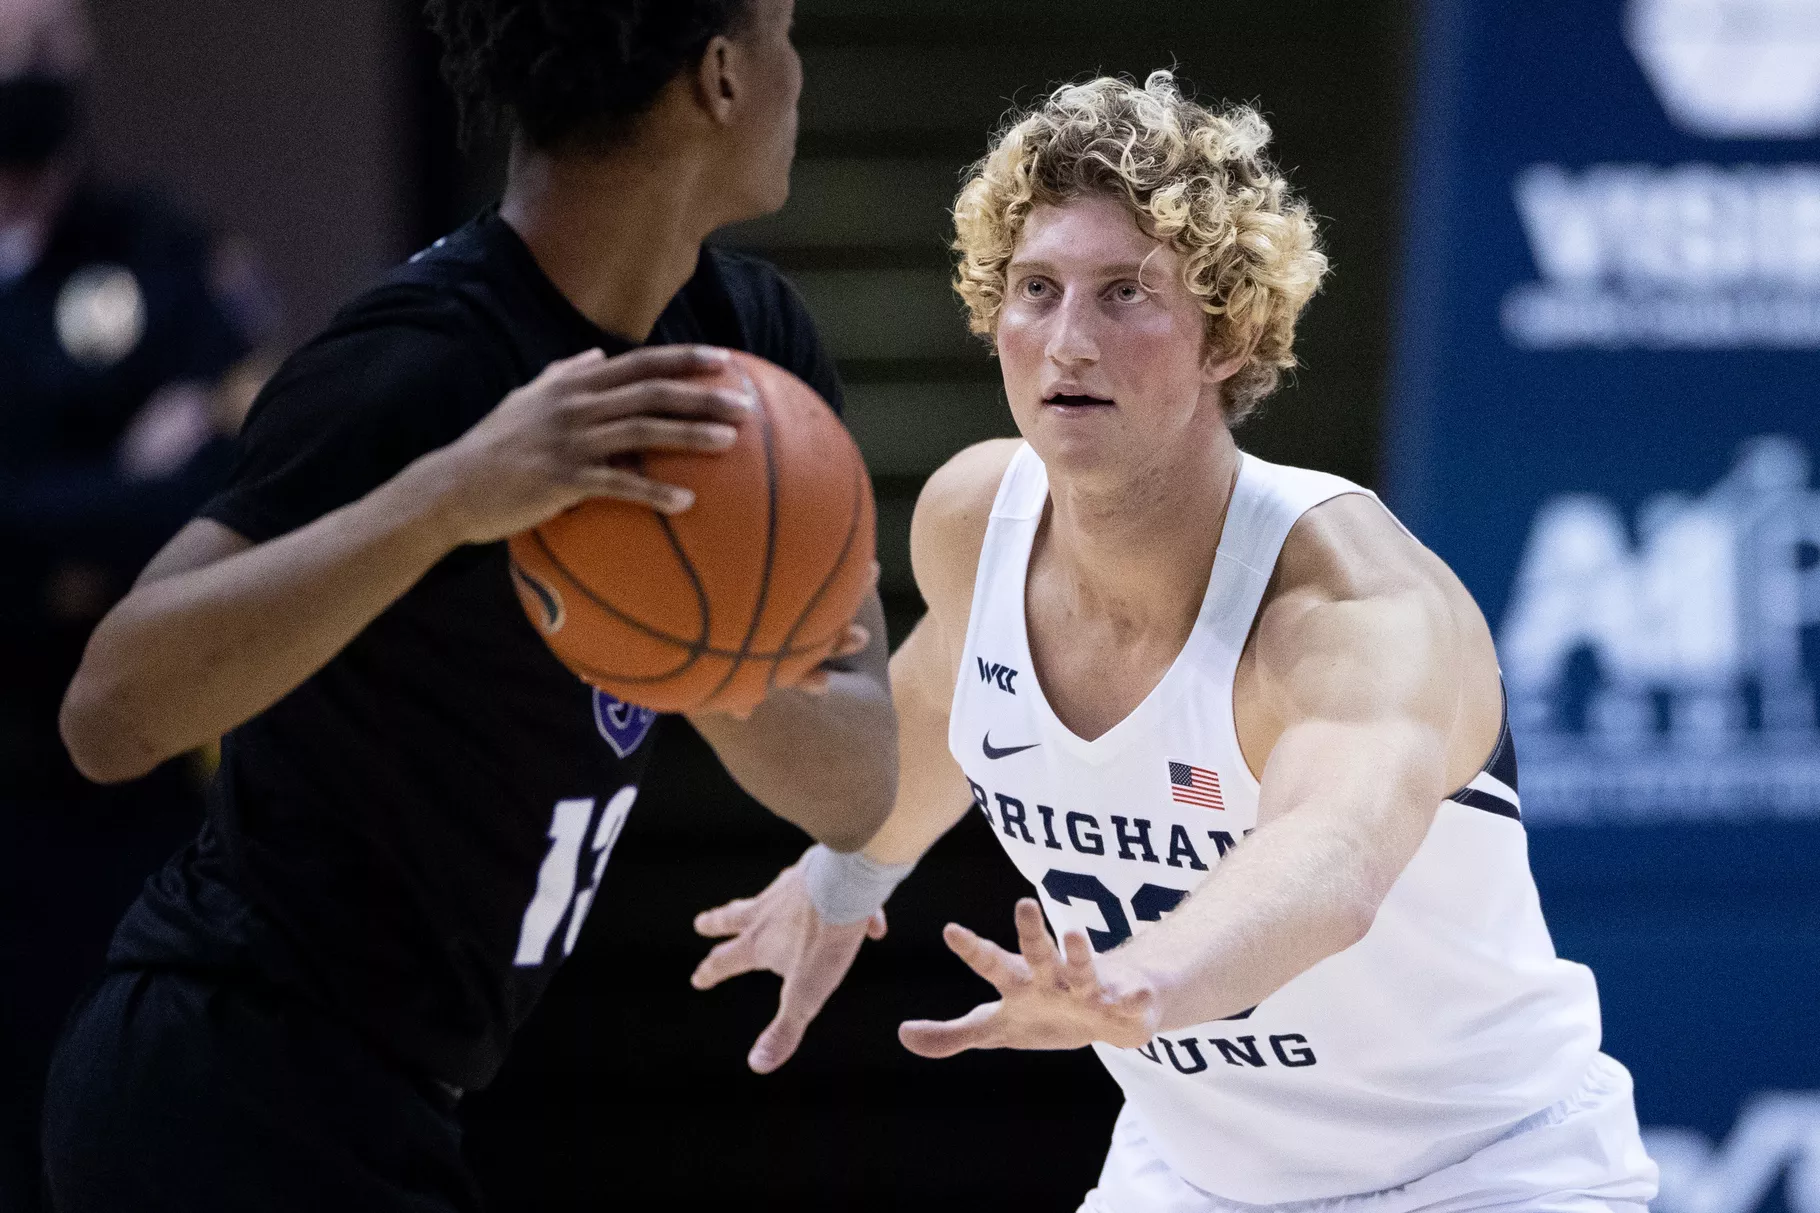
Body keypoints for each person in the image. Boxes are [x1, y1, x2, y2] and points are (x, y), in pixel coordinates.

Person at [692, 72, 1661, 1211]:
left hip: (1486, 1171)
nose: (1066, 343)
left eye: (1123, 295)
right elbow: (943, 716)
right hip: (1192, 1174)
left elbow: (1330, 859)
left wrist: (1139, 982)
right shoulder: (974, 521)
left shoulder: (1352, 605)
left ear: (1226, 334)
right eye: (1035, 289)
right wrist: (847, 872)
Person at [40, 0, 899, 1209]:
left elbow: (860, 779)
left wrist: (698, 651)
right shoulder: (422, 358)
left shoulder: (749, 362)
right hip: (223, 1074)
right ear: (719, 74)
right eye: (785, 32)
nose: (796, 73)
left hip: (396, 1097)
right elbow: (108, 712)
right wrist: (450, 499)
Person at [0, 0, 275, 1204]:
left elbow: (233, 483)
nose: (24, 77)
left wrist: (70, 507)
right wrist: (122, 481)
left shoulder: (158, 248)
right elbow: (147, 494)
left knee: (128, 1136)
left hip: (122, 794)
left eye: (48, 54)